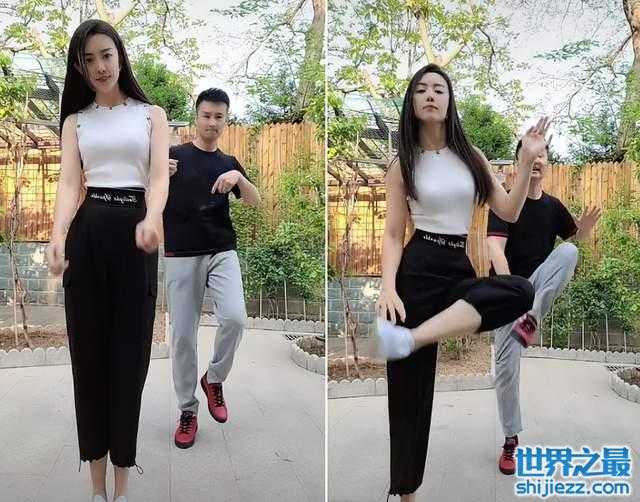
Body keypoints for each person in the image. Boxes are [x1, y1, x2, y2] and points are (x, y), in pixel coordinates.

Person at [374, 63, 549, 500]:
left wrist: (525, 161)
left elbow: (508, 211)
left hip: (457, 267)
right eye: (422, 90)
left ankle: (413, 338)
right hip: (416, 269)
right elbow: (393, 234)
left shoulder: (472, 156)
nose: (431, 95)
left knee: (520, 290)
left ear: (450, 100)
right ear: (412, 102)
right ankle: (406, 493)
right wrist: (388, 286)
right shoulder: (403, 162)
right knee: (409, 398)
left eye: (439, 89)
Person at [46, 19, 169, 502]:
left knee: (129, 359)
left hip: (137, 238)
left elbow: (158, 178)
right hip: (89, 235)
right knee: (89, 359)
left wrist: (153, 216)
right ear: (79, 67)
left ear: (120, 56)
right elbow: (68, 184)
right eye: (88, 59)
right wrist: (57, 235)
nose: (99, 66)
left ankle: (122, 483)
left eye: (106, 55)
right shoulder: (76, 122)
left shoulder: (151, 115)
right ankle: (96, 488)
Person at [488, 141, 601, 476]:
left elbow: (573, 241)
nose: (537, 160)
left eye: (542, 155)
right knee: (506, 371)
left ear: (548, 164)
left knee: (568, 252)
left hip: (534, 297)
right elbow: (495, 249)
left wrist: (584, 230)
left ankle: (532, 320)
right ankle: (510, 440)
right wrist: (513, 292)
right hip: (507, 294)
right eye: (530, 155)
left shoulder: (553, 207)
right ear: (518, 162)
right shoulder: (505, 203)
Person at [163, 88, 260, 450]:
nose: (212, 122)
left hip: (221, 251)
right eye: (206, 115)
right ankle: (187, 411)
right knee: (183, 336)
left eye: (219, 116)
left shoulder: (228, 163)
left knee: (235, 318)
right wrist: (156, 173)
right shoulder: (173, 156)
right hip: (181, 253)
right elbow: (145, 194)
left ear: (226, 120)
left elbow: (254, 201)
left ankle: (214, 378)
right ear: (196, 116)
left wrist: (239, 178)